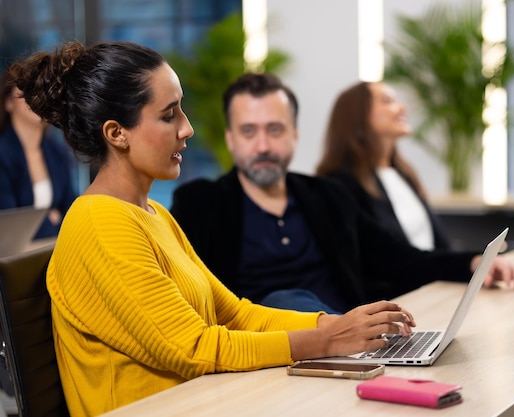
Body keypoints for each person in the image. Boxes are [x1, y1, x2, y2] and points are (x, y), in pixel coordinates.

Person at [7, 41, 416, 417]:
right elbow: (194, 348)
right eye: (169, 115)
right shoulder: (98, 223)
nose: (187, 129)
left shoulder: (152, 214)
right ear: (117, 134)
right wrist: (327, 342)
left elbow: (233, 315)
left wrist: (333, 325)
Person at [170, 73, 514, 316]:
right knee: (285, 301)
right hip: (267, 353)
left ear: (294, 134)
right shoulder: (201, 204)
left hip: (354, 346)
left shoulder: (327, 196)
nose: (262, 145)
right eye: (249, 131)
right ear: (231, 139)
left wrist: (473, 263)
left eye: (274, 129)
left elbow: (399, 259)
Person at [316, 81, 450, 251]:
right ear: (359, 114)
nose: (402, 108)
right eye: (387, 101)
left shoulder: (404, 174)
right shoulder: (342, 184)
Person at [0, 69, 77, 238]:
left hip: (51, 249)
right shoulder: (3, 153)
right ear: (8, 103)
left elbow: (71, 212)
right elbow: (7, 224)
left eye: (41, 92)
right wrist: (51, 220)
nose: (36, 98)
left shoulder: (58, 151)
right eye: (27, 92)